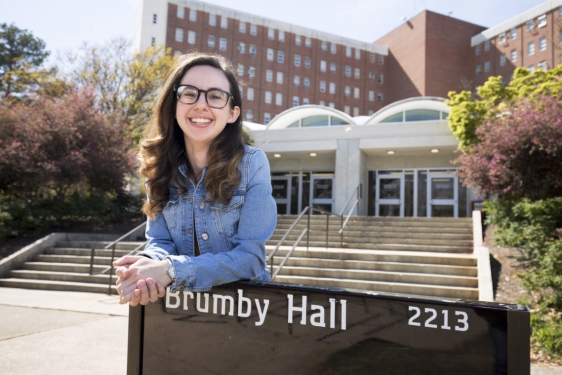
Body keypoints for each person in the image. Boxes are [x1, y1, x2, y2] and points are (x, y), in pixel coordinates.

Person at [114, 52, 277, 306]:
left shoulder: (252, 164)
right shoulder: (157, 167)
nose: (201, 105)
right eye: (189, 93)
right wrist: (144, 269)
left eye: (215, 96)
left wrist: (169, 270)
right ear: (174, 104)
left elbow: (251, 259)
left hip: (246, 309)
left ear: (232, 113)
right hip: (183, 309)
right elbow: (160, 241)